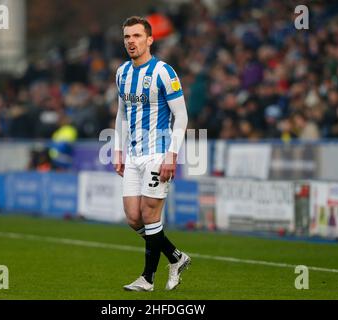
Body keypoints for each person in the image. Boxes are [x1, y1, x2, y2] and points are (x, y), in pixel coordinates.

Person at [113, 16, 190, 292]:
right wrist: (118, 148)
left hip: (158, 152)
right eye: (127, 37)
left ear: (149, 39)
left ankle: (147, 278)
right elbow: (122, 113)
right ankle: (176, 257)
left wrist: (172, 155)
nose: (131, 41)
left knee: (149, 214)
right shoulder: (122, 73)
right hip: (133, 154)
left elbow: (181, 117)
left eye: (136, 36)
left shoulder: (164, 72)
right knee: (133, 217)